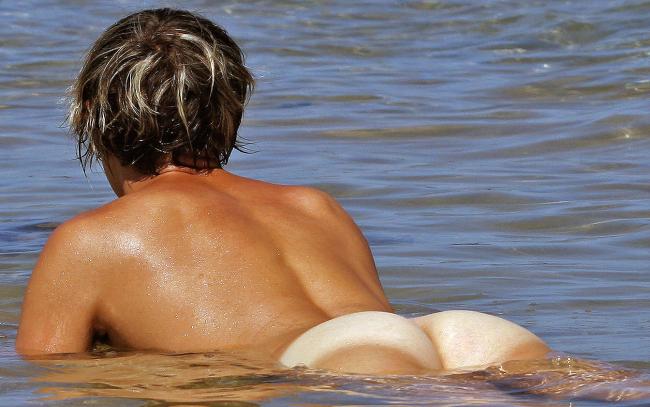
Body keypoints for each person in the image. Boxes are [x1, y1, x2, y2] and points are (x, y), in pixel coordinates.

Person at [15, 8, 550, 374]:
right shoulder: (315, 206)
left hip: (343, 362)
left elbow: (54, 379)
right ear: (233, 109)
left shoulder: (88, 240)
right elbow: (384, 334)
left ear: (90, 114)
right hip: (459, 336)